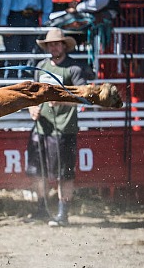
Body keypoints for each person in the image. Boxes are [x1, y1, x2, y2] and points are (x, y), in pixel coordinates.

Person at [26, 28, 94, 227]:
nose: (53, 47)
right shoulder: (42, 66)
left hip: (64, 129)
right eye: (50, 44)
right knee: (38, 171)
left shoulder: (74, 69)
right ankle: (42, 208)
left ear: (64, 45)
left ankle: (63, 214)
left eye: (57, 43)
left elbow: (85, 98)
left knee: (64, 173)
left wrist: (63, 102)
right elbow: (34, 95)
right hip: (41, 128)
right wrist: (32, 108)